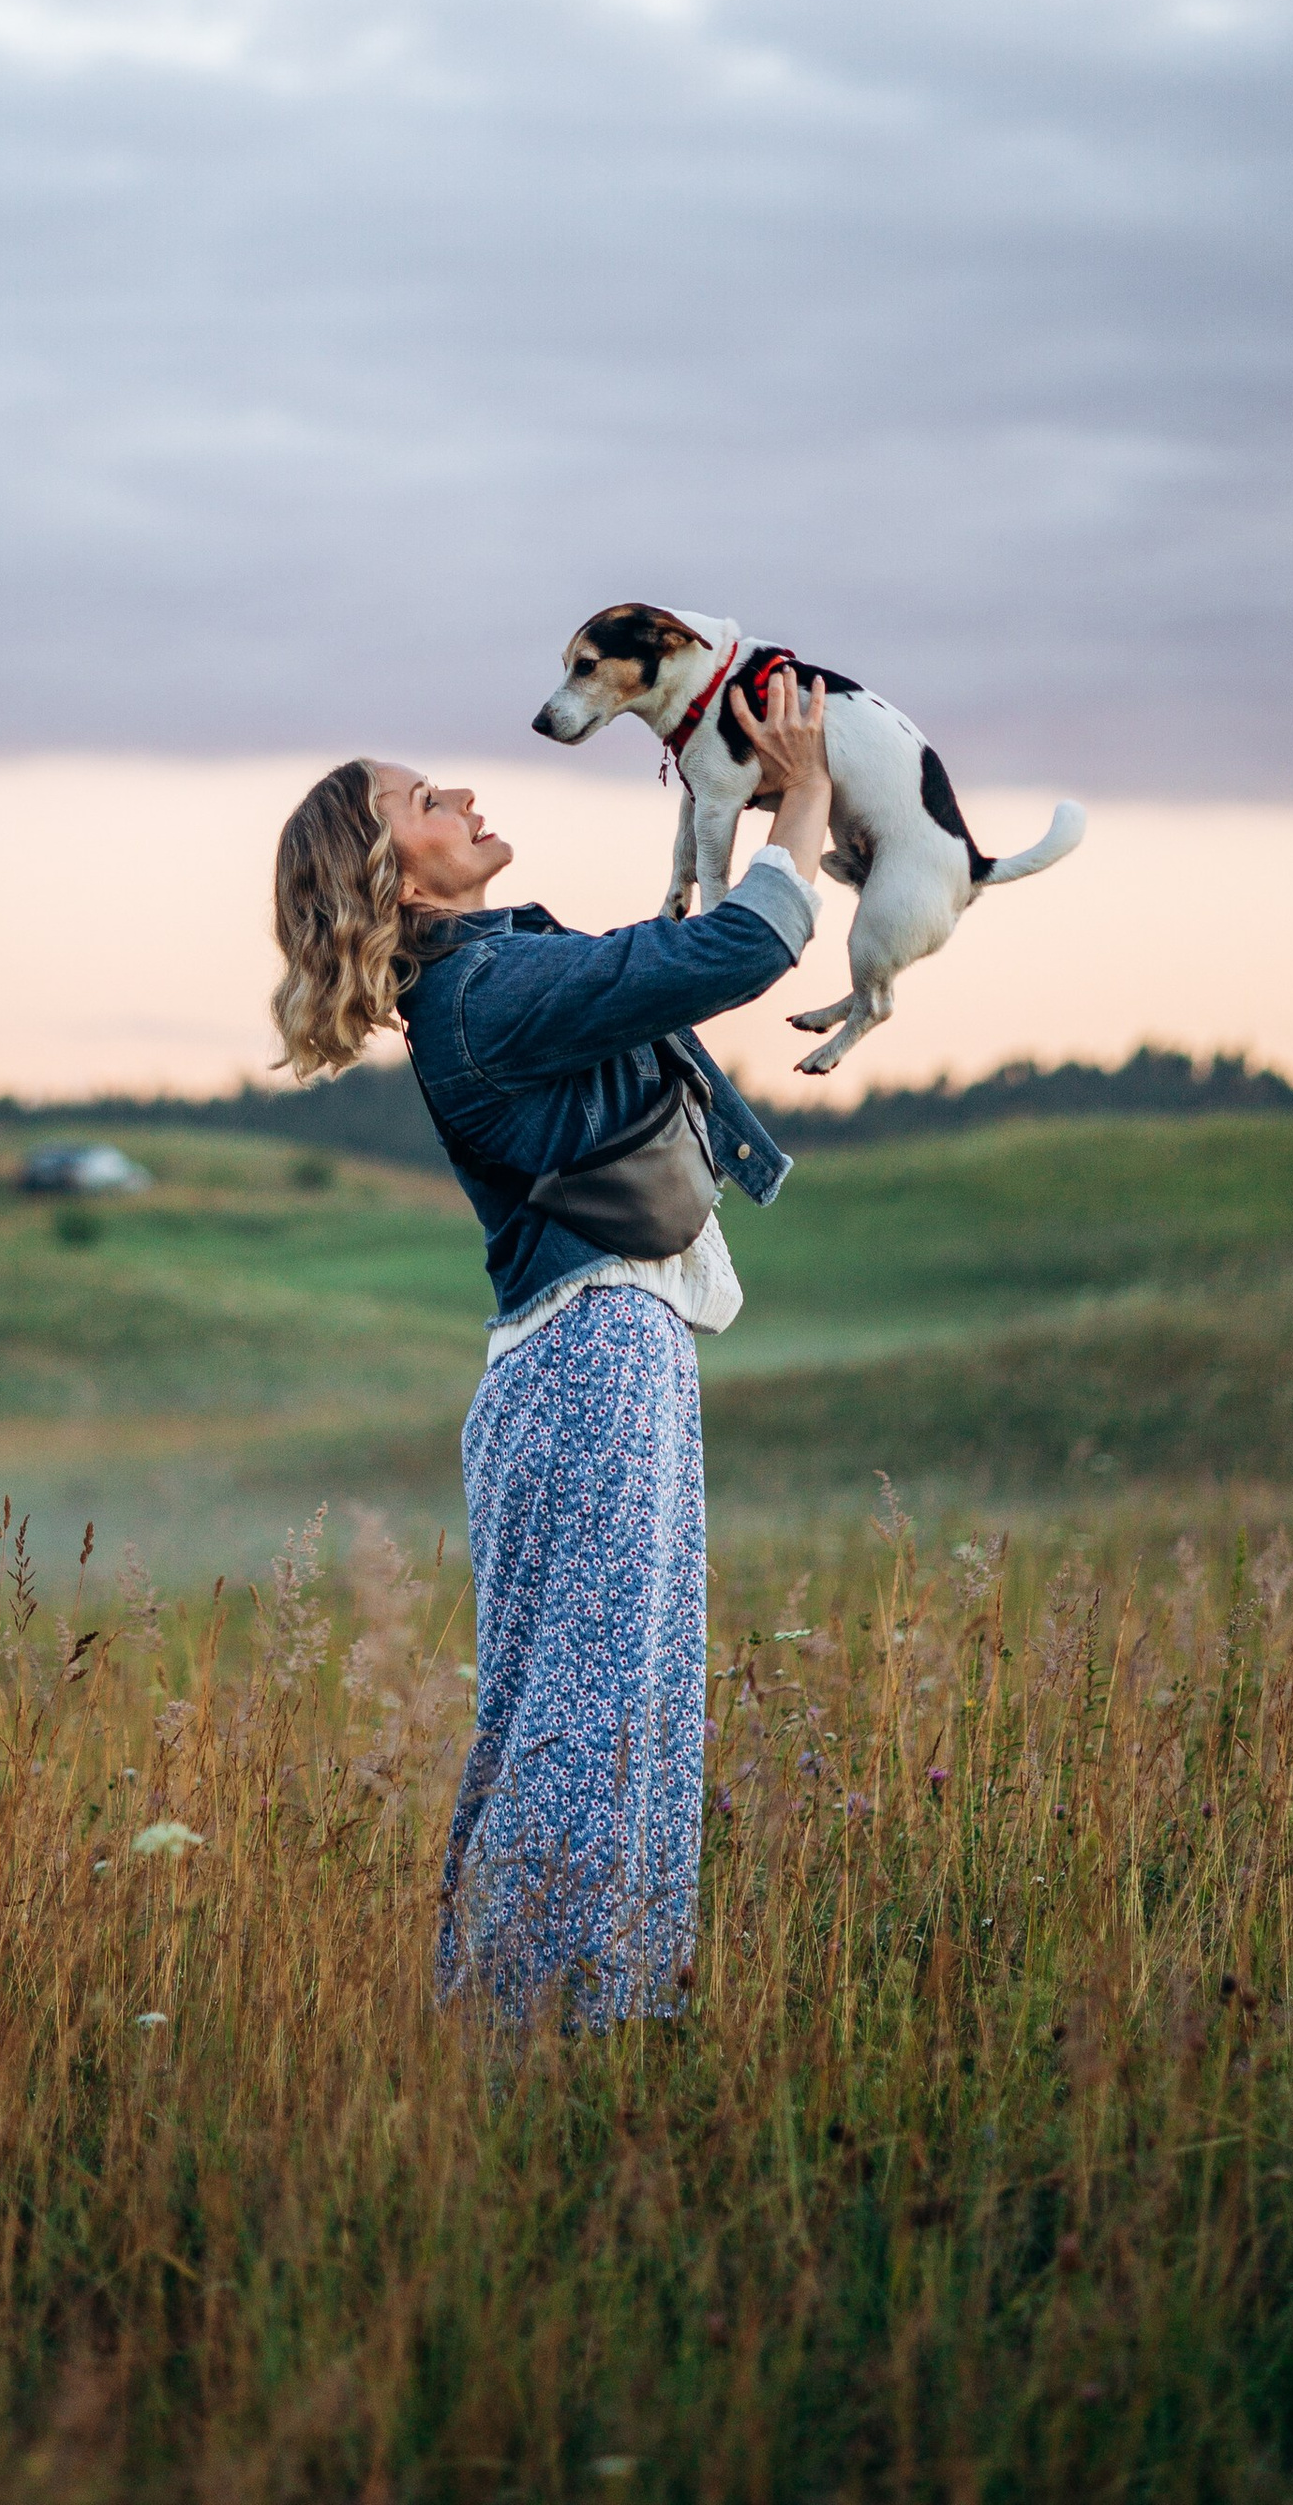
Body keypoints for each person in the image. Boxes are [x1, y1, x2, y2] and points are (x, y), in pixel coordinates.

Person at [269, 666, 832, 2025]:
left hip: (592, 1354)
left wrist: (726, 809)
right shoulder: (485, 995)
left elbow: (643, 964)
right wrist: (806, 798)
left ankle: (569, 2007)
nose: (459, 794)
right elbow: (732, 956)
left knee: (593, 1700)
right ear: (391, 874)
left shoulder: (495, 978)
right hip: (592, 1357)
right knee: (592, 1711)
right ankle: (548, 2024)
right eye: (418, 800)